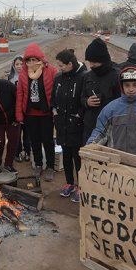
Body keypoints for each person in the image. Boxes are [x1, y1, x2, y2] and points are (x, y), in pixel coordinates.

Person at [87, 67, 136, 162]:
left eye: (135, 85)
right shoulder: (111, 109)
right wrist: (90, 146)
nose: (131, 89)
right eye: (127, 85)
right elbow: (100, 132)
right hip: (117, 164)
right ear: (121, 86)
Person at [16, 43, 59, 182]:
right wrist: (19, 114)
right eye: (28, 60)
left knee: (47, 141)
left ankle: (50, 167)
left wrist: (55, 110)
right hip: (30, 114)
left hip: (46, 114)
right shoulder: (23, 73)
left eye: (34, 59)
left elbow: (56, 93)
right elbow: (20, 95)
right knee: (34, 141)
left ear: (40, 59)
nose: (31, 63)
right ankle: (39, 165)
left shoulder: (51, 71)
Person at [52, 49, 88, 203]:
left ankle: (81, 187)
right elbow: (53, 96)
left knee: (77, 156)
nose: (59, 68)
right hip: (62, 123)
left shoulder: (83, 77)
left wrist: (79, 114)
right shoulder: (59, 78)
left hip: (77, 125)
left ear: (70, 64)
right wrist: (54, 110)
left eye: (62, 66)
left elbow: (84, 100)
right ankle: (69, 183)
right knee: (66, 154)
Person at [81, 38, 121, 142]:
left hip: (111, 129)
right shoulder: (88, 76)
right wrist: (87, 102)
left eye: (94, 62)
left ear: (103, 60)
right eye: (89, 62)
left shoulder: (117, 76)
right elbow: (81, 98)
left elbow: (123, 103)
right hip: (90, 127)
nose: (91, 65)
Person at [7, 56, 31, 163]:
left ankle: (27, 152)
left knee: (27, 132)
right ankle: (17, 153)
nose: (19, 66)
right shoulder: (11, 78)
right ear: (13, 66)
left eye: (22, 64)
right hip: (15, 109)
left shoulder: (30, 76)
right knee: (16, 132)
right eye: (17, 64)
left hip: (27, 109)